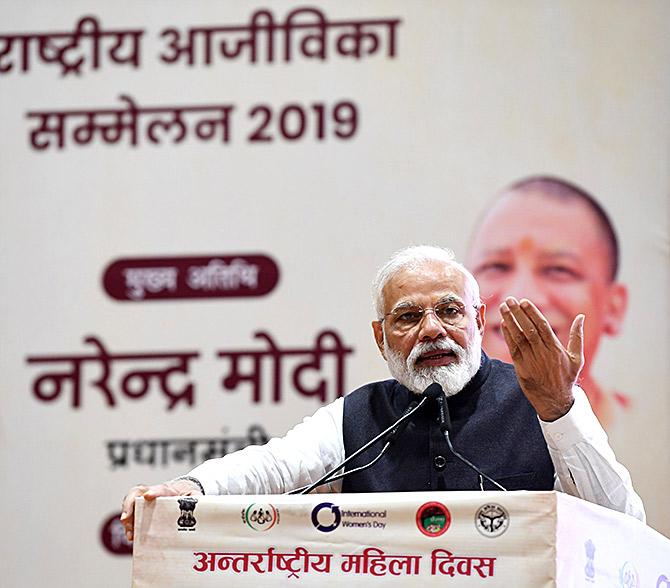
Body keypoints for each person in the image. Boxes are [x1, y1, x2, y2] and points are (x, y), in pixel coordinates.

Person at [121, 246, 644, 541]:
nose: (433, 330)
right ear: (381, 337)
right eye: (409, 317)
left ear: (480, 320)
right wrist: (190, 488)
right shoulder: (359, 414)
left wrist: (560, 411)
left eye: (450, 310)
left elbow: (626, 527)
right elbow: (275, 465)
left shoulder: (545, 397)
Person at [467, 176, 629, 428]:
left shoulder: (644, 429)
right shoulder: (430, 428)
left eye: (558, 270)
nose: (521, 297)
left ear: (614, 308)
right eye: (497, 266)